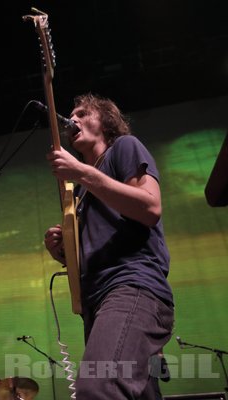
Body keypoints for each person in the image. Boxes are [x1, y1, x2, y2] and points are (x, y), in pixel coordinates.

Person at [43, 93, 174, 399]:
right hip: (97, 302)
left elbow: (150, 207)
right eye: (70, 115)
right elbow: (98, 245)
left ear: (106, 120)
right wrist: (63, 252)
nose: (72, 119)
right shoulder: (80, 194)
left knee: (98, 388)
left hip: (130, 287)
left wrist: (81, 172)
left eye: (82, 113)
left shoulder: (124, 148)